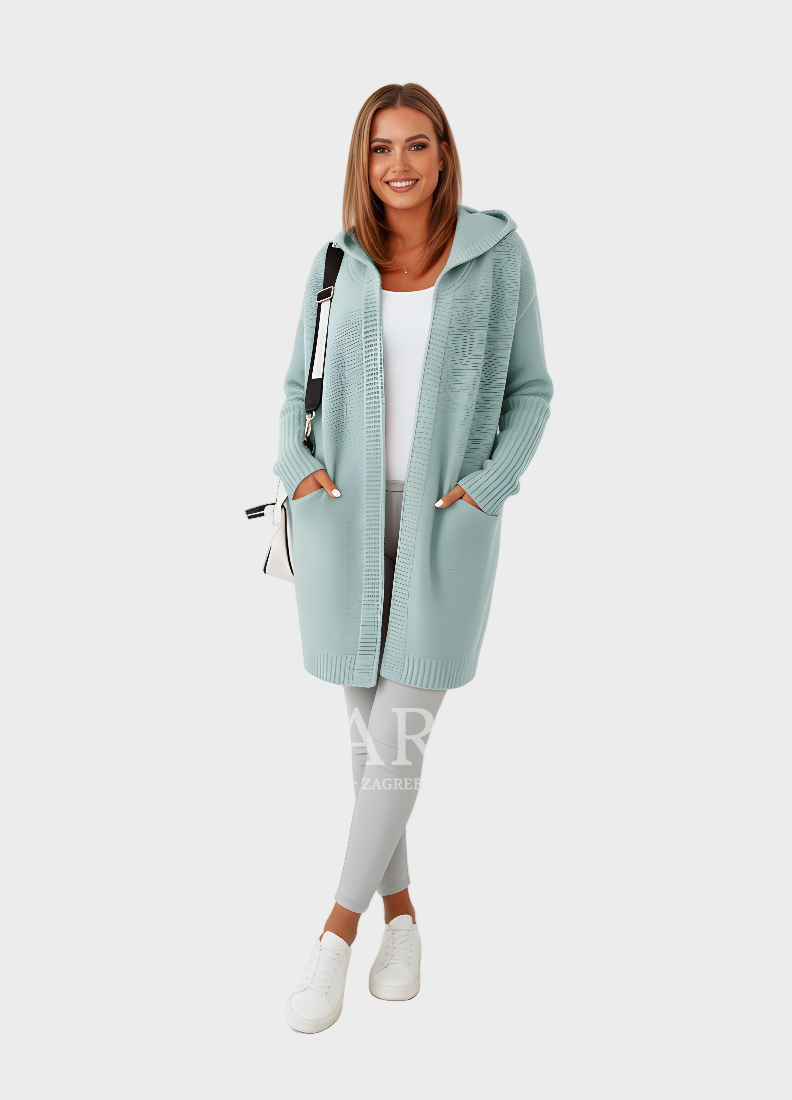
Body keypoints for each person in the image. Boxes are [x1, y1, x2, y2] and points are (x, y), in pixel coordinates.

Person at [273, 83, 554, 1033]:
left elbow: (532, 391)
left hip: (446, 521)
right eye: (381, 147)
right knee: (369, 741)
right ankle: (403, 920)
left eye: (417, 145)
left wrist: (490, 484)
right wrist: (298, 469)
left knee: (397, 737)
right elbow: (294, 389)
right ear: (364, 159)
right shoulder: (336, 262)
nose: (399, 164)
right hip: (338, 518)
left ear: (443, 154)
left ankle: (334, 935)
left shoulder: (496, 256)